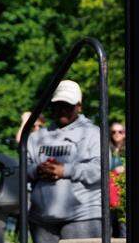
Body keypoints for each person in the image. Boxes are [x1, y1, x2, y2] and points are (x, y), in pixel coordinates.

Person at [25, 80, 103, 242]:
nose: (62, 109)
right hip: (42, 219)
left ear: (79, 106)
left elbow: (100, 170)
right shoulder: (35, 137)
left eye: (68, 105)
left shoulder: (94, 133)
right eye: (58, 104)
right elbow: (22, 170)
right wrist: (37, 170)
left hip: (83, 216)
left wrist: (65, 170)